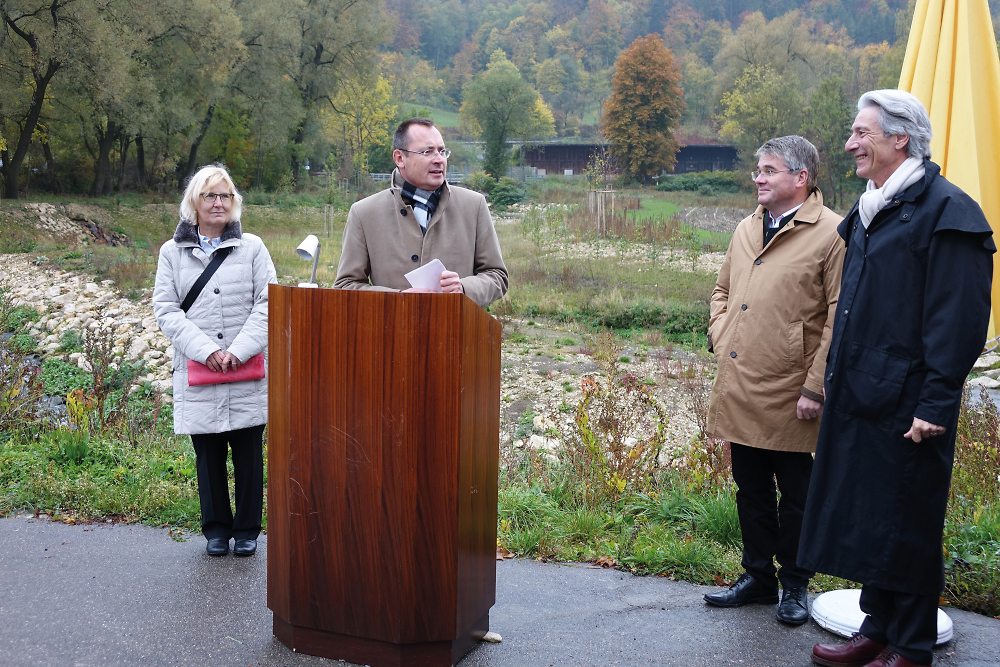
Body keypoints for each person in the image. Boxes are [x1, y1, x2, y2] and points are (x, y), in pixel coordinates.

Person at [800, 90, 994, 667]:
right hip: (861, 393)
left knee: (906, 522)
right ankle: (878, 628)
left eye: (862, 133)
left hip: (912, 402)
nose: (850, 144)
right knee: (869, 516)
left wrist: (935, 403)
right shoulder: (871, 209)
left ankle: (910, 647)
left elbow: (957, 321)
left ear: (899, 139)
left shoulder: (947, 213)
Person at [703, 136, 845, 626]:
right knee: (751, 489)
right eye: (757, 170)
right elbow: (722, 289)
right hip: (741, 380)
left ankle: (796, 584)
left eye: (769, 170)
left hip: (793, 389)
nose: (757, 178)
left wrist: (815, 387)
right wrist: (720, 333)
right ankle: (758, 578)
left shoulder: (832, 233)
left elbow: (837, 317)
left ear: (800, 178)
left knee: (799, 495)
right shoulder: (746, 227)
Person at [153, 164, 277, 557]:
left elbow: (268, 303)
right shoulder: (172, 252)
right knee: (207, 454)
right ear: (195, 202)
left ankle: (247, 531)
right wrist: (206, 350)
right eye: (210, 195)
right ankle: (216, 530)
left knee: (247, 452)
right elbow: (166, 309)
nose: (218, 202)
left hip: (246, 367)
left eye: (225, 195)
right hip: (199, 366)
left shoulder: (253, 247)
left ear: (234, 202)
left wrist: (237, 350)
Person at [335, 118, 508, 308]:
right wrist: (398, 299)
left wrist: (463, 289)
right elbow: (345, 286)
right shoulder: (364, 213)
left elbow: (497, 276)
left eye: (442, 151)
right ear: (400, 158)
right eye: (427, 152)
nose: (439, 159)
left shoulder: (474, 205)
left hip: (457, 333)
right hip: (389, 334)